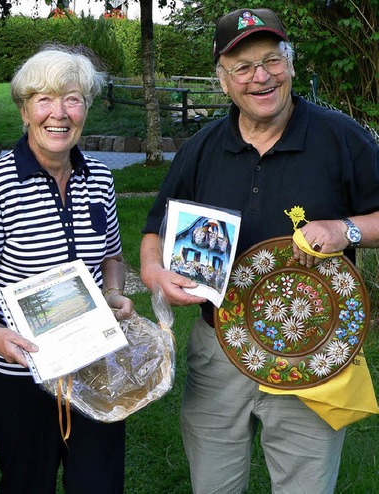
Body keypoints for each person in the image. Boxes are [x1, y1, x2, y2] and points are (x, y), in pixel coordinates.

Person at [140, 8, 379, 494]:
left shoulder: (341, 139)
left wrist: (346, 229)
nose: (261, 77)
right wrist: (153, 273)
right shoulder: (202, 148)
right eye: (243, 67)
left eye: (272, 60)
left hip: (310, 353)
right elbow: (153, 230)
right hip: (217, 351)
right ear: (223, 80)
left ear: (290, 65)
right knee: (213, 485)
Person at [0, 45, 134, 494]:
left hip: (96, 366)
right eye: (44, 99)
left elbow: (112, 257)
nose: (58, 113)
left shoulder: (100, 177)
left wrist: (113, 293)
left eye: (72, 99)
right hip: (25, 376)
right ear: (23, 110)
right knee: (26, 485)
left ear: (86, 109)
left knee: (98, 485)